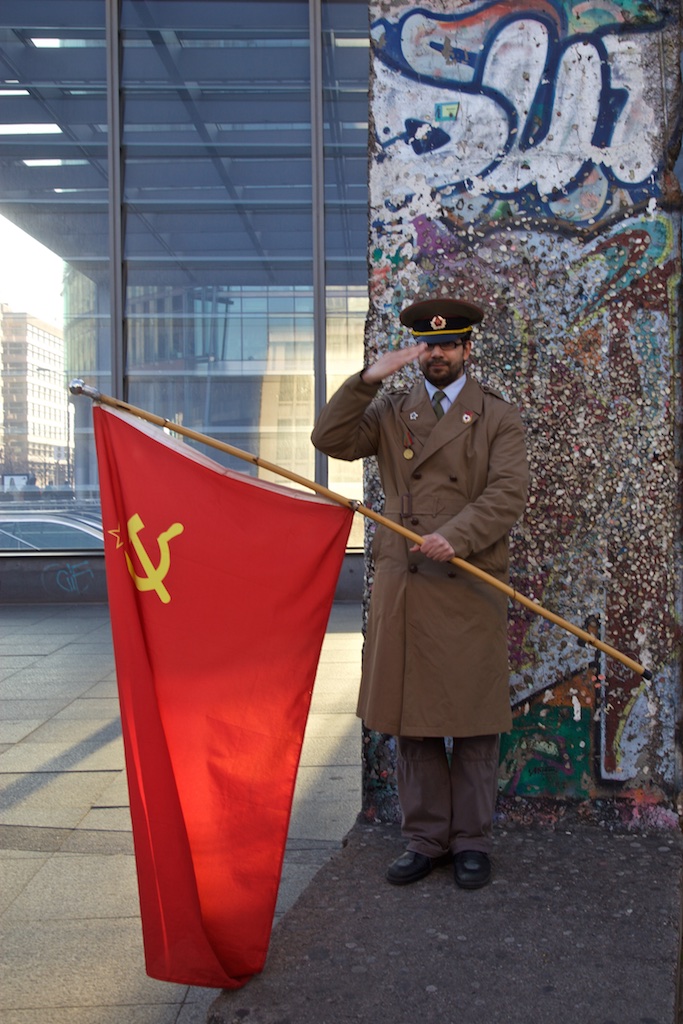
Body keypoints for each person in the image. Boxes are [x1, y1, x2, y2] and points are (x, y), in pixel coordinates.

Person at [311, 296, 529, 890]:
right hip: (406, 584)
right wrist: (365, 380)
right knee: (415, 723)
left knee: (474, 722)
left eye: (449, 345)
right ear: (417, 352)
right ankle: (425, 839)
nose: (438, 354)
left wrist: (454, 536)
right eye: (428, 346)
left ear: (466, 349)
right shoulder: (388, 409)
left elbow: (508, 493)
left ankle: (471, 842)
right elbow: (328, 438)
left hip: (467, 579)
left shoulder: (497, 416)